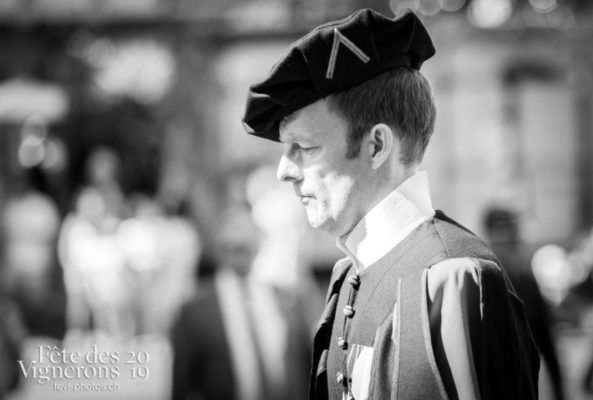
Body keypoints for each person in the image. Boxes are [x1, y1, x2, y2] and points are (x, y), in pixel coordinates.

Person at [242, 8, 540, 400]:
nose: (285, 171)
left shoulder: (455, 279)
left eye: (306, 147)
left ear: (378, 145)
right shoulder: (346, 276)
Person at [170, 206, 311, 400]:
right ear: (216, 247)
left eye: (245, 242)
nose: (239, 245)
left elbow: (305, 368)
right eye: (232, 245)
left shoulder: (287, 300)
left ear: (259, 244)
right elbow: (182, 387)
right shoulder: (193, 311)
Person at [483, 206, 564, 400]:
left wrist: (560, 392)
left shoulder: (528, 285)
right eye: (501, 236)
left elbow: (546, 343)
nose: (508, 244)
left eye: (511, 236)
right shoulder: (480, 284)